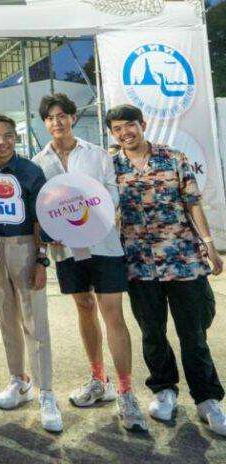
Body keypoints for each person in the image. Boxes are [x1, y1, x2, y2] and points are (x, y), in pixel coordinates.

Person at [107, 104, 226, 435]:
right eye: (117, 129)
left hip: (182, 259)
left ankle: (207, 399)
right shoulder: (110, 167)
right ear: (113, 133)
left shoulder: (172, 158)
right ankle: (164, 390)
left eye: (130, 125)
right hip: (138, 264)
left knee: (194, 333)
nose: (125, 132)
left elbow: (193, 203)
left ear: (142, 124)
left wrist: (209, 245)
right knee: (152, 332)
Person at [31, 93, 147, 432]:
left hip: (104, 245)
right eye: (50, 117)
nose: (57, 122)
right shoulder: (38, 163)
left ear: (72, 117)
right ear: (45, 123)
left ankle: (126, 392)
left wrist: (91, 215)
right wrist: (54, 231)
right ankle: (99, 379)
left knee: (113, 313)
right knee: (84, 308)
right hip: (67, 251)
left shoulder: (97, 154)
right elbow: (42, 207)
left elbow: (112, 193)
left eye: (62, 115)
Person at [0, 114, 62, 432]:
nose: (1, 142)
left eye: (7, 136)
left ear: (16, 137)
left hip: (25, 246)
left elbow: (42, 218)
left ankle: (46, 392)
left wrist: (41, 260)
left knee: (35, 320)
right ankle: (19, 380)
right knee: (6, 319)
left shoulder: (30, 171)